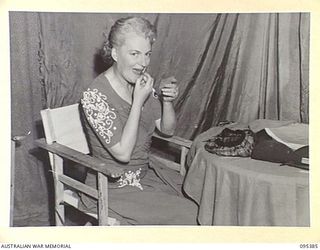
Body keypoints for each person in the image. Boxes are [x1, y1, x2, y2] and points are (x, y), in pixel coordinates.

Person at [79, 16, 198, 225]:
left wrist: (167, 101)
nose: (143, 63)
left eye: (147, 54)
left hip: (146, 175)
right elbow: (123, 154)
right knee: (189, 215)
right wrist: (137, 102)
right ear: (115, 53)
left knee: (201, 199)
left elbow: (167, 130)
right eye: (134, 54)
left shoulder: (138, 83)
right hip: (111, 186)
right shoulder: (94, 96)